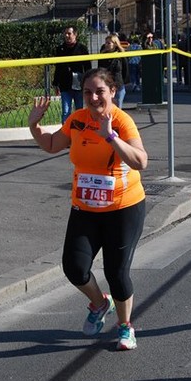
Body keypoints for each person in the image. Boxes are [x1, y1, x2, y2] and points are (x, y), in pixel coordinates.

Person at [28, 68, 147, 351]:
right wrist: (34, 126)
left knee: (117, 273)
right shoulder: (77, 120)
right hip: (86, 207)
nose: (93, 98)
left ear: (112, 92)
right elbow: (53, 144)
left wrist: (111, 137)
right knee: (74, 267)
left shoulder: (122, 121)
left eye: (99, 92)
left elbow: (141, 161)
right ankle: (99, 303)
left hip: (123, 207)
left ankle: (125, 327)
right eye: (87, 92)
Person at [52, 26, 91, 123]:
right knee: (66, 111)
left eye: (69, 33)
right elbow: (58, 67)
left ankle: (79, 131)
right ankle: (65, 133)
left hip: (78, 84)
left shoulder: (82, 48)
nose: (66, 35)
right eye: (65, 33)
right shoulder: (60, 49)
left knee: (79, 110)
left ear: (75, 34)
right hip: (65, 85)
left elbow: (87, 67)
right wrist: (55, 83)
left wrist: (88, 83)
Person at [99, 34, 128, 108]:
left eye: (109, 43)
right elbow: (99, 70)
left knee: (117, 108)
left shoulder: (121, 55)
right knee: (106, 107)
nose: (106, 45)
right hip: (106, 85)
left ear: (115, 44)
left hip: (118, 85)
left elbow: (125, 69)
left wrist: (124, 81)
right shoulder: (102, 54)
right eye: (106, 42)